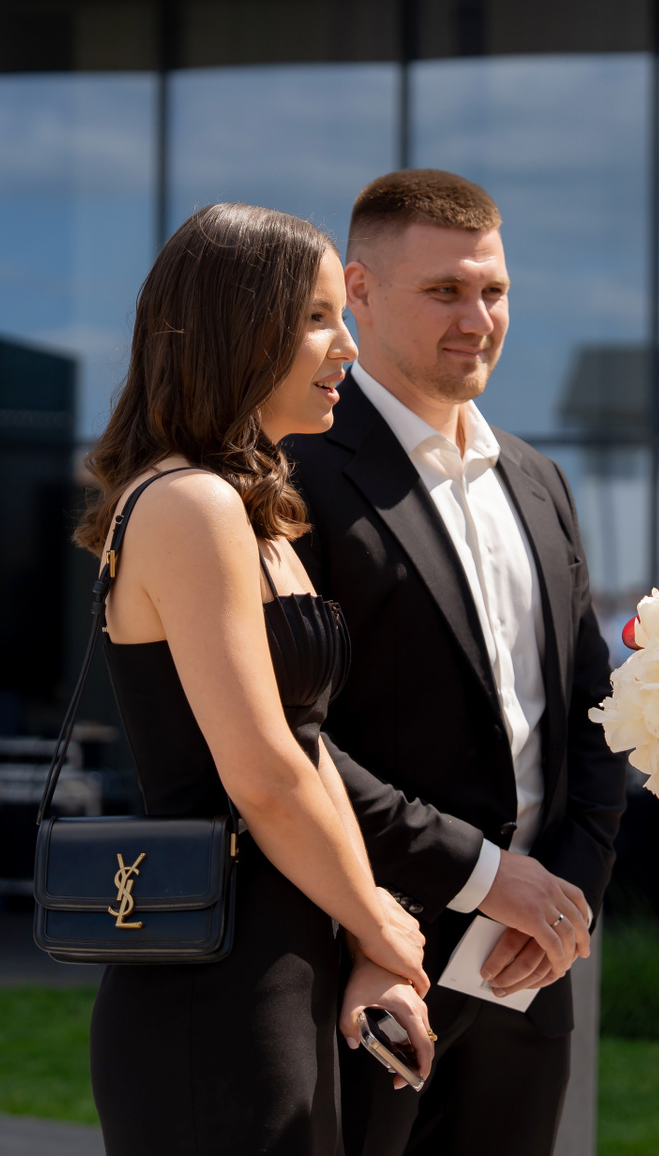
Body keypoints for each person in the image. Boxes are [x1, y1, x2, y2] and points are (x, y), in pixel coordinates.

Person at [78, 202, 434, 1156]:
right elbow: (264, 775)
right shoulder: (187, 504)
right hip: (214, 980)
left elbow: (306, 749)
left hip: (281, 957)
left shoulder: (253, 513)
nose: (347, 348)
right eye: (317, 318)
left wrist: (365, 941)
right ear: (238, 328)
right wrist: (377, 922)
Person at [282, 169, 626, 1156]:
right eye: (445, 290)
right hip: (363, 960)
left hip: (529, 969)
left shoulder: (540, 478)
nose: (478, 318)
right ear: (358, 290)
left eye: (494, 290)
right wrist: (480, 882)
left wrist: (563, 898)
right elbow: (293, 738)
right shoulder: (293, 474)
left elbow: (593, 712)